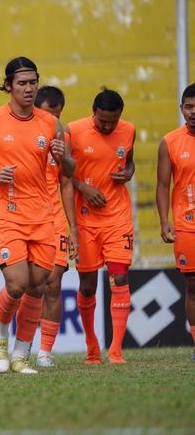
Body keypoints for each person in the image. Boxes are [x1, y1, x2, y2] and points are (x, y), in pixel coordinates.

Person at [0, 57, 72, 374]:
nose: (28, 88)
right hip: (7, 212)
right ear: (8, 85)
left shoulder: (50, 123)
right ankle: (0, 336)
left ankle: (22, 354)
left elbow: (70, 171)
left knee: (38, 285)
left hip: (43, 214)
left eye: (33, 82)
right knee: (18, 282)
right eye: (21, 83)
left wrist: (64, 158)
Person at [67, 88, 135, 365]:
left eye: (113, 121)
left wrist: (127, 173)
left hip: (117, 216)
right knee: (87, 286)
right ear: (93, 112)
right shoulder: (73, 131)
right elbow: (60, 174)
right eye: (102, 121)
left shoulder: (129, 130)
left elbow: (129, 163)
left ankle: (116, 350)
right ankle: (91, 344)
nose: (108, 126)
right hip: (84, 219)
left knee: (119, 278)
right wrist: (82, 186)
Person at [33, 86, 78, 367]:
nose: (55, 121)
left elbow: (68, 180)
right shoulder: (23, 135)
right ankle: (18, 343)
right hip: (27, 218)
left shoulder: (62, 136)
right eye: (50, 114)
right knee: (27, 285)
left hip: (55, 220)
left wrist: (73, 229)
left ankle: (45, 351)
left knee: (53, 284)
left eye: (59, 115)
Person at [156, 82, 195, 361]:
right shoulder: (170, 142)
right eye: (189, 107)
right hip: (186, 223)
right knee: (193, 284)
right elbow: (162, 185)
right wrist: (163, 220)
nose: (193, 112)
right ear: (181, 109)